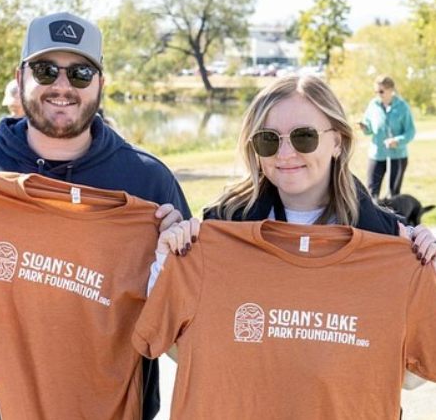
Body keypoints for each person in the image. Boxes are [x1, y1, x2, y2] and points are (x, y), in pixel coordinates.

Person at [0, 12, 190, 420]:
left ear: (100, 84)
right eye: (45, 70)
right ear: (21, 76)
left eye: (79, 73)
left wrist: (176, 259)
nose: (62, 86)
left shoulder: (147, 183)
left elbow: (184, 332)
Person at [137, 75, 436, 419]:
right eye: (268, 140)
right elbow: (180, 347)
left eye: (304, 137)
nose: (285, 153)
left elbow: (411, 375)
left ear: (337, 141)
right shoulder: (220, 232)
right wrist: (167, 261)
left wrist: (426, 278)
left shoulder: (388, 242)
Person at [359, 75, 415, 199]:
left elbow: (410, 131)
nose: (378, 94)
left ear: (391, 90)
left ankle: (393, 218)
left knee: (393, 194)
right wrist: (365, 128)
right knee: (371, 192)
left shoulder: (402, 106)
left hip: (397, 156)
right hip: (376, 155)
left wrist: (398, 141)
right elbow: (369, 128)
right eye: (376, 91)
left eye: (381, 91)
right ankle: (373, 218)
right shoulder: (373, 105)